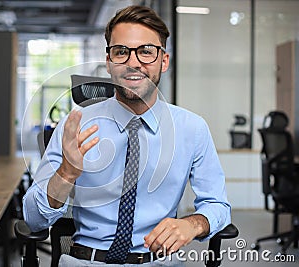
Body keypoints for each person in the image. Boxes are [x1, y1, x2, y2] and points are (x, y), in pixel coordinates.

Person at [23, 5, 231, 266]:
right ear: (109, 62)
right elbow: (33, 219)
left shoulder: (193, 129)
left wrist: (193, 224)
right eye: (121, 52)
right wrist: (66, 173)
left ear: (163, 61)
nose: (133, 62)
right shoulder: (75, 127)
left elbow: (218, 205)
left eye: (146, 51)